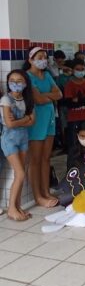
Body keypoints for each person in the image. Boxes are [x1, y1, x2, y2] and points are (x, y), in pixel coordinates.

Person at [26, 47, 62, 208]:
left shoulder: (47, 75)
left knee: (46, 158)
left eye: (45, 57)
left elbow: (59, 94)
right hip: (36, 121)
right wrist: (49, 96)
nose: (43, 60)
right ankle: (37, 196)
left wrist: (45, 95)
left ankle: (45, 191)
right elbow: (38, 100)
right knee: (35, 160)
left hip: (50, 120)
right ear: (30, 59)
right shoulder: (27, 76)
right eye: (39, 57)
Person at [0, 70, 35, 220]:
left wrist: (20, 121)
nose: (15, 83)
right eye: (12, 80)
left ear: (25, 83)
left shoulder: (27, 99)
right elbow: (9, 124)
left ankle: (17, 207)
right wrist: (25, 119)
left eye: (19, 81)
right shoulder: (5, 100)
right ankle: (11, 210)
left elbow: (33, 121)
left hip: (23, 139)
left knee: (19, 175)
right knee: (20, 173)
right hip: (9, 140)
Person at [64, 59, 85, 146]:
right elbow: (69, 104)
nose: (80, 71)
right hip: (74, 119)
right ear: (72, 70)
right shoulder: (69, 85)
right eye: (77, 69)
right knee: (74, 145)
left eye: (82, 69)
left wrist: (77, 100)